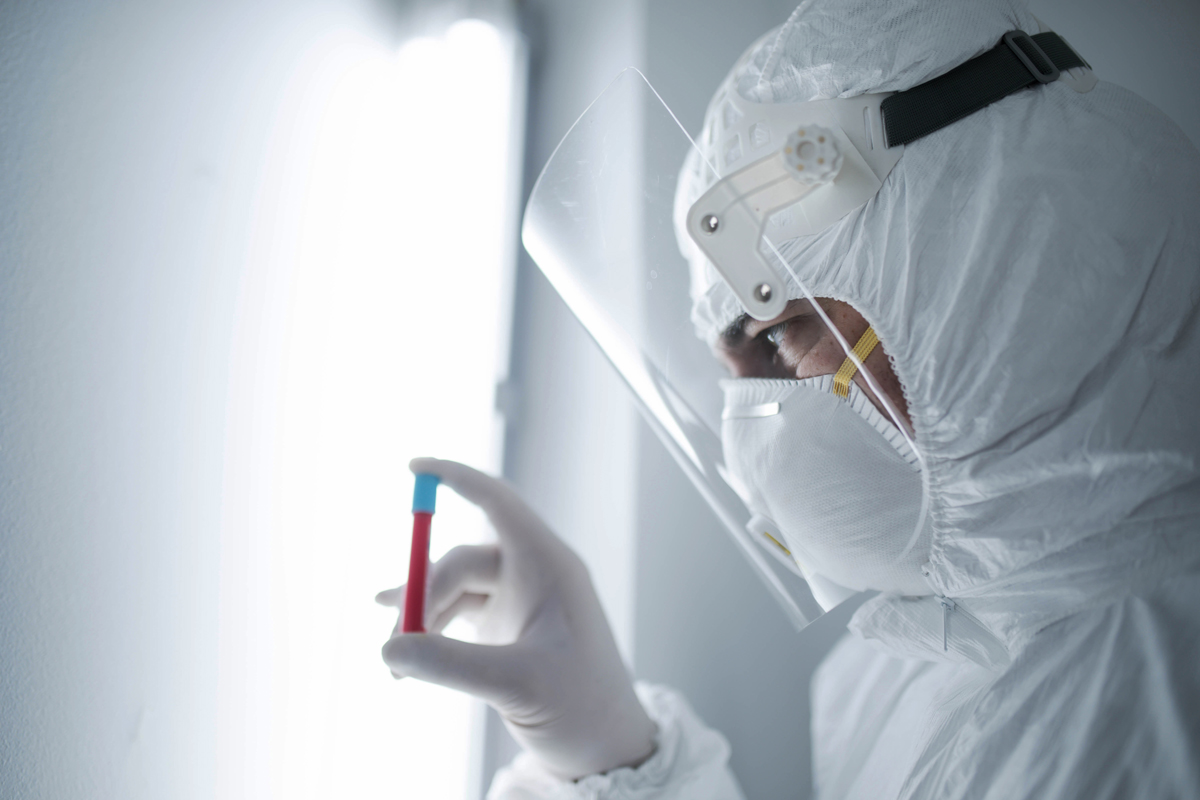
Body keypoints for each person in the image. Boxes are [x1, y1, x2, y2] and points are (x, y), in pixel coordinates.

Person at [377, 1, 1200, 797]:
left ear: (990, 263)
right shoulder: (912, 665)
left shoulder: (1154, 696)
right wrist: (609, 752)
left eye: (775, 335)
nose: (749, 432)